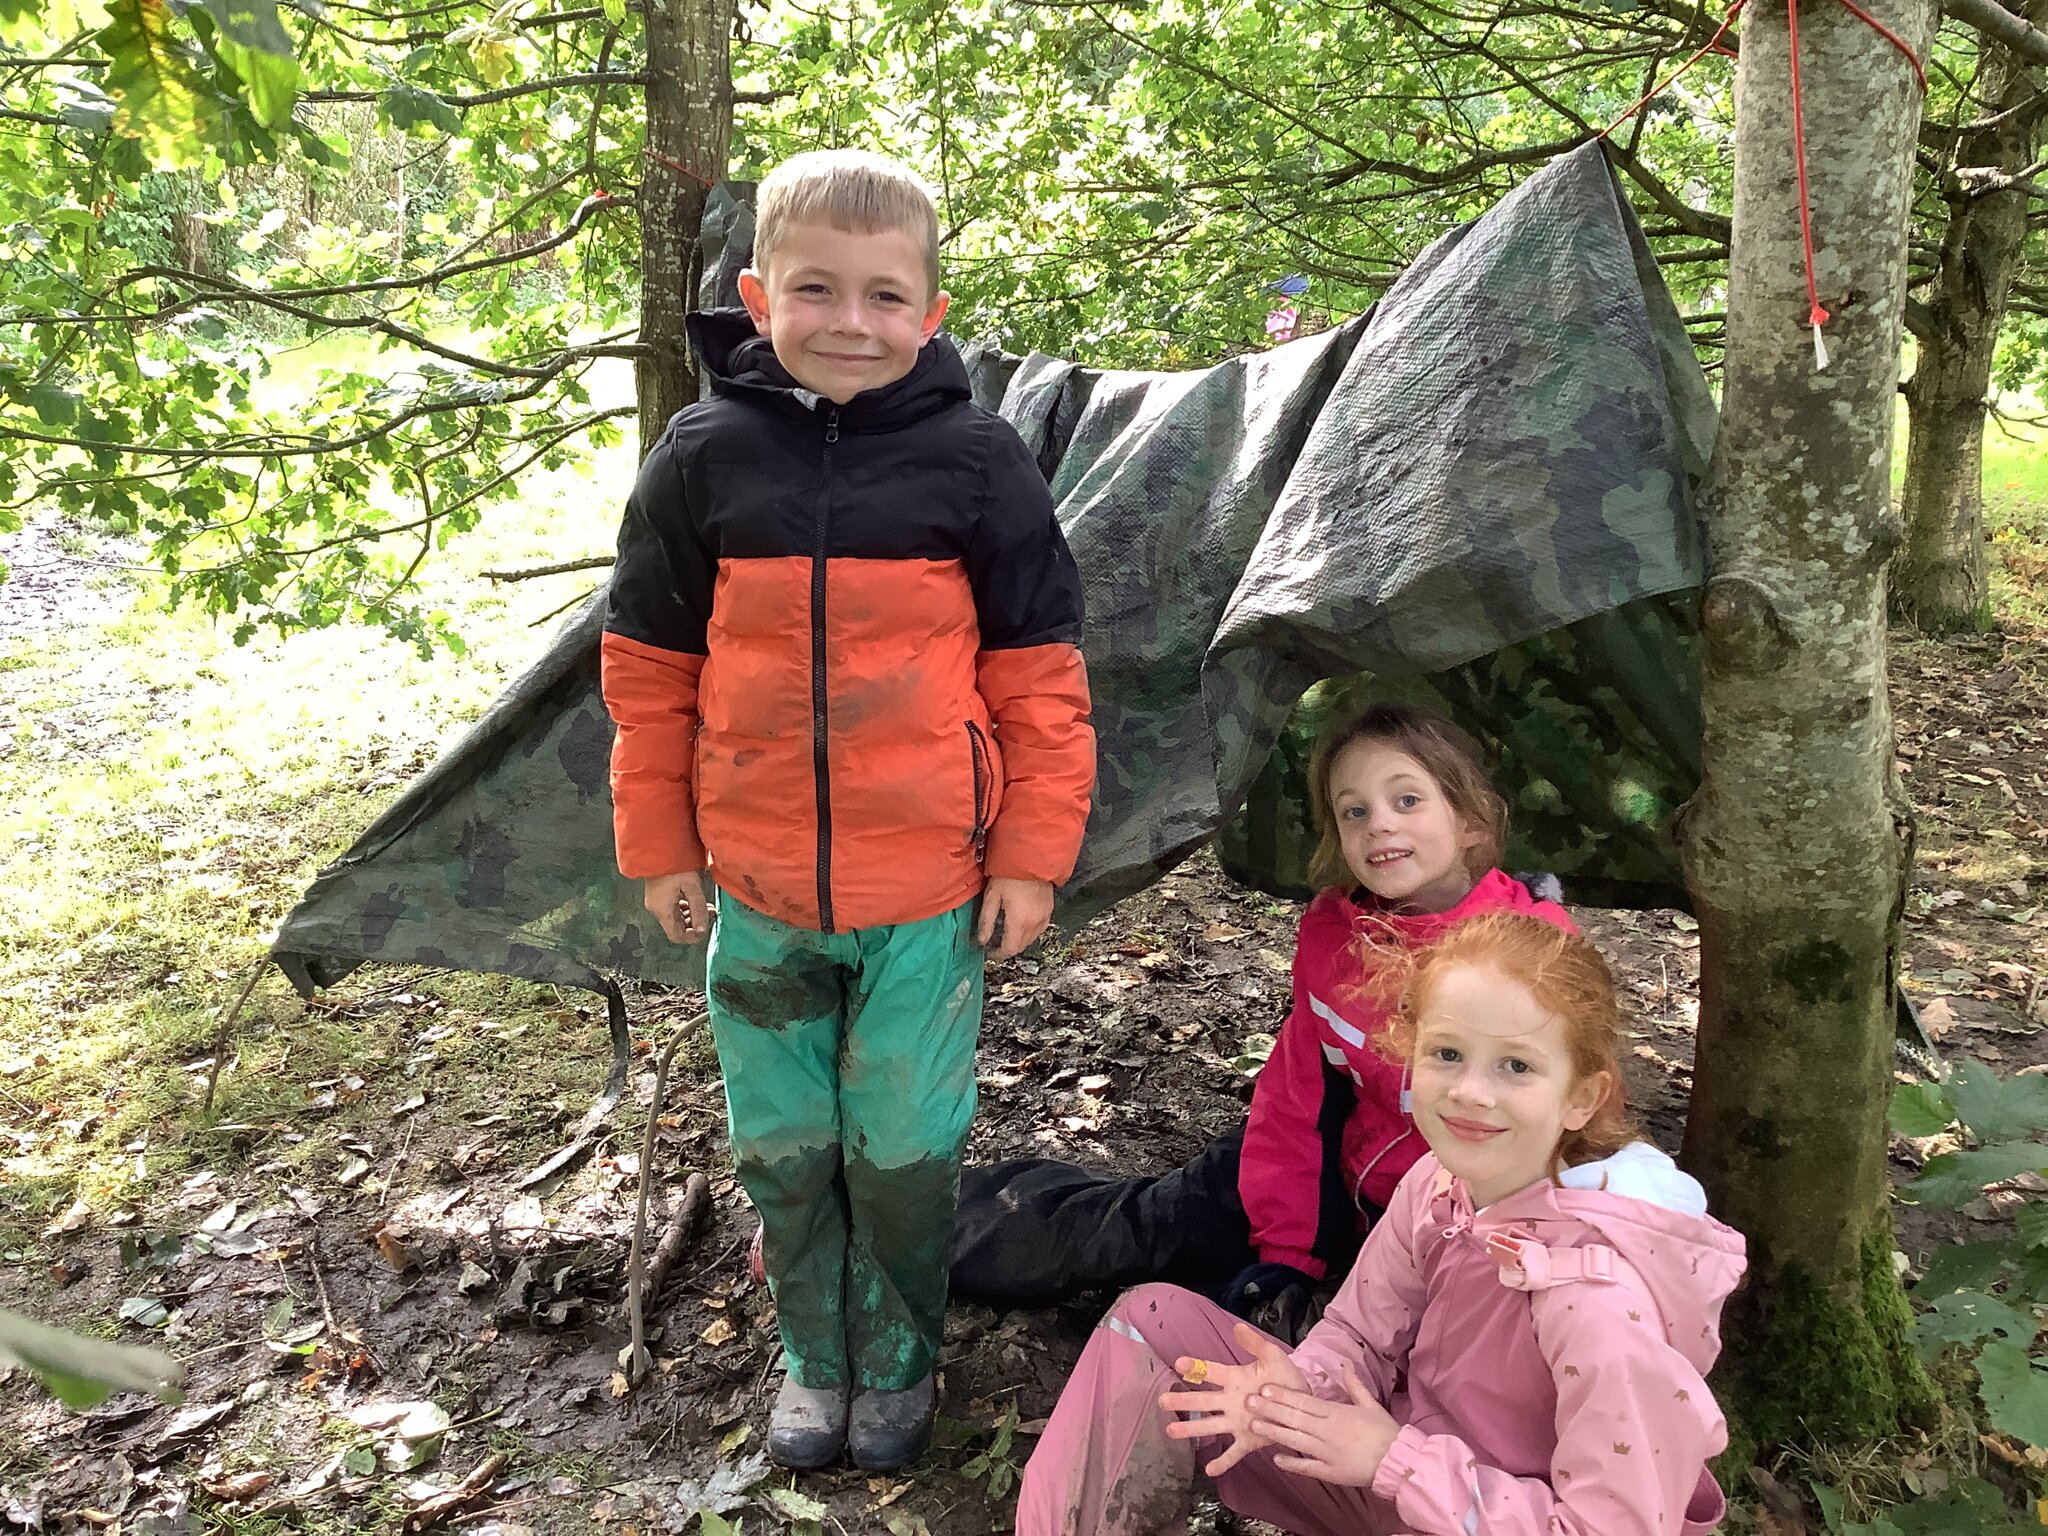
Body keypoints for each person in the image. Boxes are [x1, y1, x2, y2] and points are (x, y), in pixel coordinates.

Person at [601, 148, 1095, 1473]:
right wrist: (660, 842)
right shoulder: (701, 460)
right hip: (757, 897)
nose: (850, 323)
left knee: (902, 1152)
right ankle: (814, 1359)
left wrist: (1031, 858)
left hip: (927, 898)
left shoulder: (979, 464)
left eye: (885, 296)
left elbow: (1042, 684)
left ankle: (900, 1357)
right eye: (815, 289)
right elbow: (650, 676)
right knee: (785, 1147)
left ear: (930, 315)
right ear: (759, 294)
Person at [1015, 911, 1747, 1536]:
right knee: (1153, 1325)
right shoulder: (1440, 1180)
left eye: (1516, 1067)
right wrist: (1288, 1392)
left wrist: (1396, 1461)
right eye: (1448, 1054)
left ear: (1581, 1098)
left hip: (1447, 1493)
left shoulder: (1601, 1300)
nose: (1470, 1092)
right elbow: (1361, 1332)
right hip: (1397, 1471)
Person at [950, 704, 1573, 1334]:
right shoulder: (1337, 933)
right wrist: (1288, 1250)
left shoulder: (1531, 955)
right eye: (1354, 811)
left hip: (1433, 1227)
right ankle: (914, 1219)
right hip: (1306, 1176)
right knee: (1126, 1233)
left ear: (1468, 821)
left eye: (1407, 800)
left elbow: (1551, 1142)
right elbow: (1297, 1095)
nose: (1379, 825)